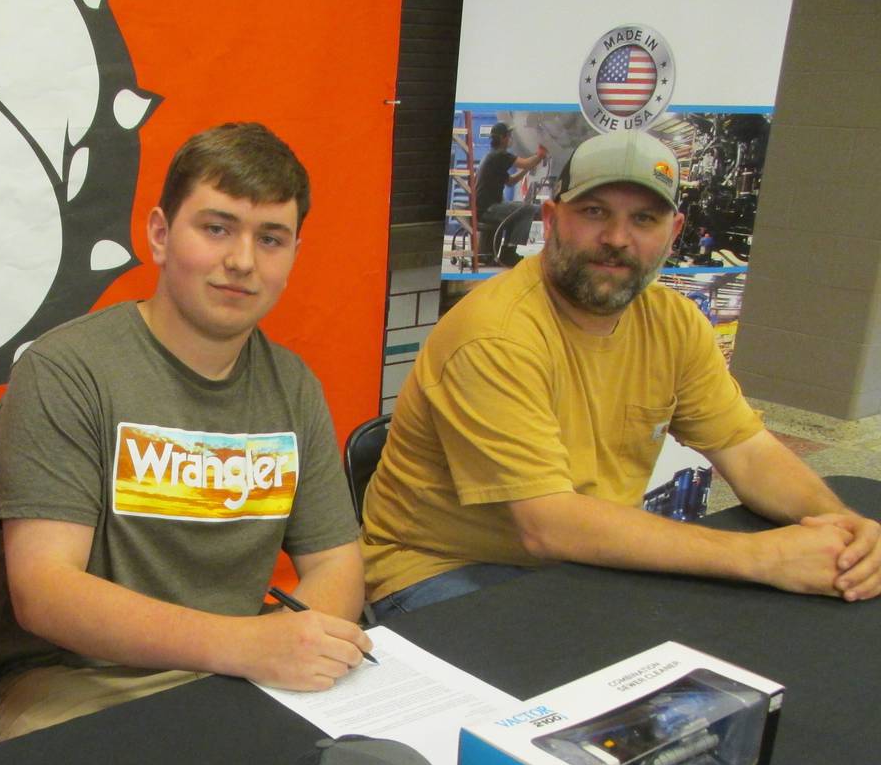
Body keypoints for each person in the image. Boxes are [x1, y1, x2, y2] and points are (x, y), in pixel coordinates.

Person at [362, 129, 881, 615]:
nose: (617, 237)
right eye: (594, 211)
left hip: (577, 561)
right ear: (551, 217)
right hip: (440, 573)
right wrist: (761, 558)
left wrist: (843, 529)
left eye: (644, 220)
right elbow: (548, 526)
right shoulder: (495, 335)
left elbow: (747, 451)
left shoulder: (674, 323)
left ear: (673, 232)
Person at [0, 122, 370, 742]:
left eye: (271, 238)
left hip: (235, 670)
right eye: (216, 228)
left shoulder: (293, 385)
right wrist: (247, 645)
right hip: (76, 682)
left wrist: (293, 647)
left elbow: (338, 563)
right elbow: (45, 593)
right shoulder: (66, 371)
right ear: (159, 234)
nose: (241, 261)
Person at [474, 121, 547, 218]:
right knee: (531, 210)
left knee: (520, 207)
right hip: (490, 209)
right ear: (502, 138)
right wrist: (541, 154)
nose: (510, 138)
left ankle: (511, 233)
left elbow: (510, 182)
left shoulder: (493, 156)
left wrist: (527, 168)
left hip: (482, 209)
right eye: (509, 136)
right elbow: (526, 163)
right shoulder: (500, 154)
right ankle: (519, 234)